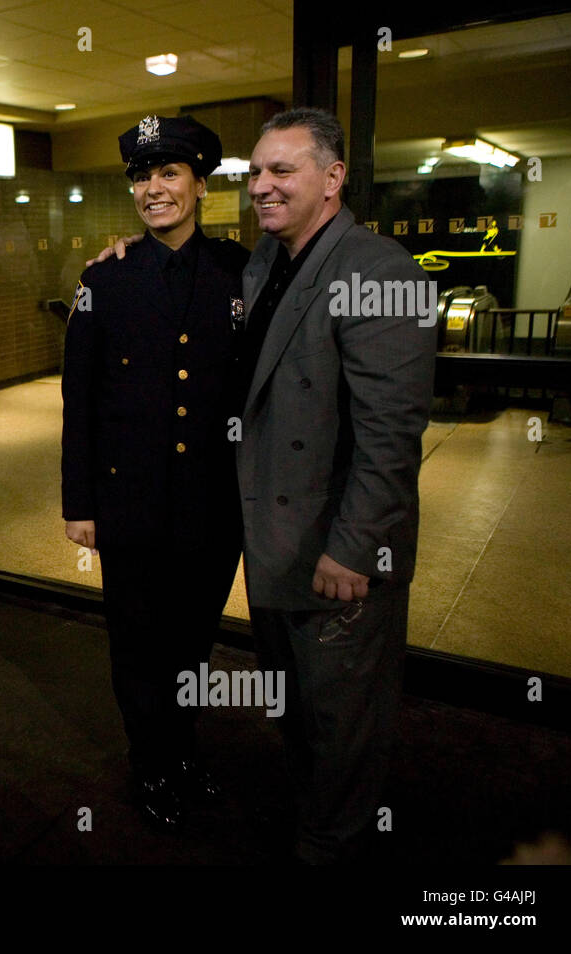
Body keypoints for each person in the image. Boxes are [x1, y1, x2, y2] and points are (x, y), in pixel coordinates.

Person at [237, 108, 434, 863]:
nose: (262, 186)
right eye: (255, 171)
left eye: (281, 170)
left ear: (334, 177)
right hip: (278, 548)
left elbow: (390, 440)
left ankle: (333, 847)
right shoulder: (264, 262)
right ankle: (315, 821)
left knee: (344, 727)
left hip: (339, 560)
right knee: (302, 716)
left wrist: (353, 551)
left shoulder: (383, 273)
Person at [61, 114, 249, 832]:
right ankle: (153, 767)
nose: (153, 188)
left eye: (169, 172)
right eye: (142, 176)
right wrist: (80, 502)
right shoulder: (103, 280)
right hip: (130, 502)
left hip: (211, 505)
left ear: (201, 184)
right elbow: (78, 399)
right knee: (139, 645)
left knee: (193, 643)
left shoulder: (239, 272)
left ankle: (183, 751)